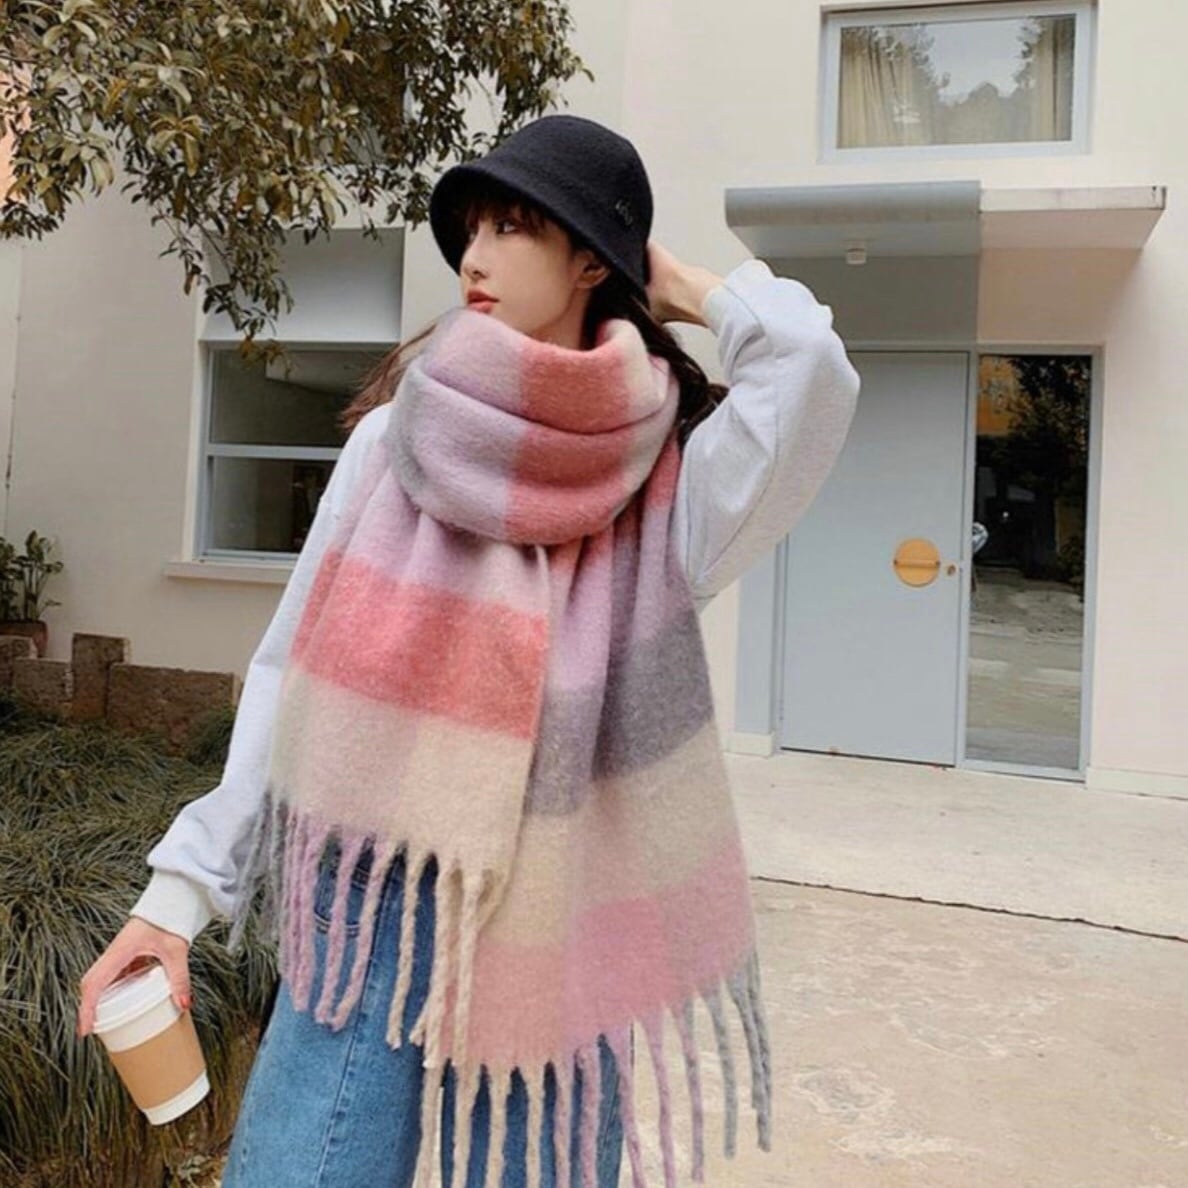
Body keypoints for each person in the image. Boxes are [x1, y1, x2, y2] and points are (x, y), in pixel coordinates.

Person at [76, 114, 861, 1188]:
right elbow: (290, 674)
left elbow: (809, 367)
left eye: (514, 227)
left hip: (560, 910)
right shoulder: (391, 442)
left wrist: (680, 283)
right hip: (375, 892)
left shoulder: (671, 482)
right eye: (471, 230)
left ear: (592, 261)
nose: (475, 259)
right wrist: (175, 902)